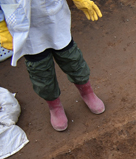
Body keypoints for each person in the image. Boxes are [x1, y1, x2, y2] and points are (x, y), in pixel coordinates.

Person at [0, 0, 105, 132]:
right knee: (40, 71)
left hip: (53, 15)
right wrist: (1, 26)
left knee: (71, 59)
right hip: (24, 24)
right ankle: (54, 107)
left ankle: (87, 93)